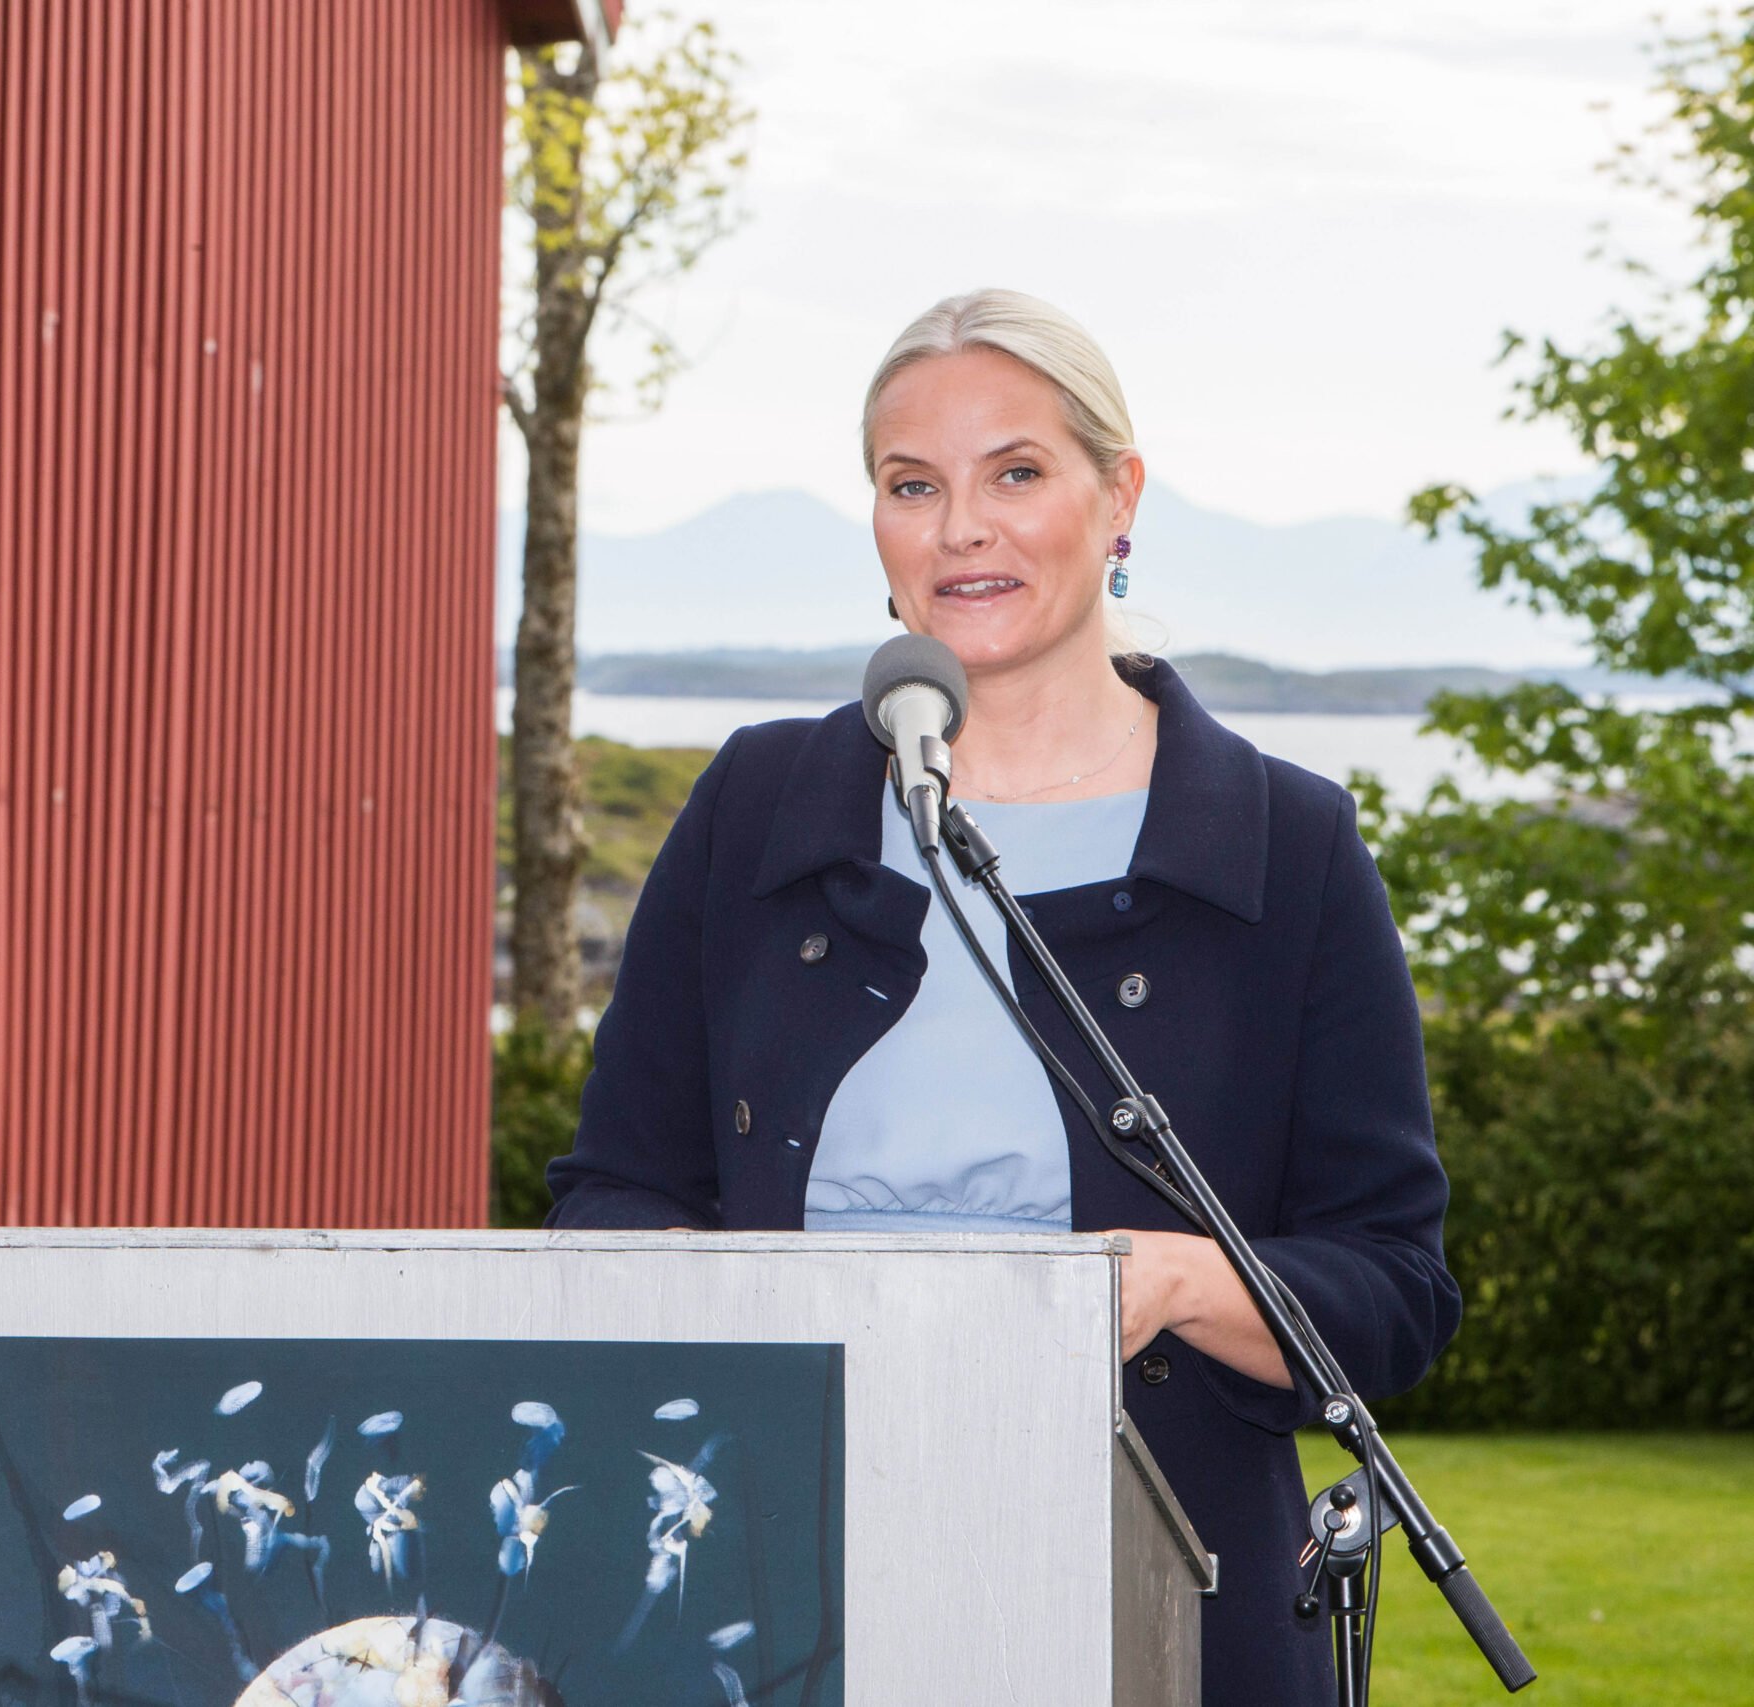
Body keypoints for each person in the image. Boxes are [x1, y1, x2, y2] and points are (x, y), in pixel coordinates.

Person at [542, 288, 1460, 1704]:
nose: (961, 526)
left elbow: (1392, 1288)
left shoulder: (1286, 843)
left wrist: (1167, 1283)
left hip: (1159, 1608)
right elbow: (609, 1195)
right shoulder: (757, 808)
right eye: (914, 485)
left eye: (1015, 473)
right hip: (766, 1590)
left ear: (1119, 495)